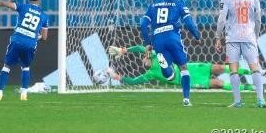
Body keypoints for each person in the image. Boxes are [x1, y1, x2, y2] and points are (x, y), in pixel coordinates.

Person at [140, 0, 201, 106]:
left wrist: (147, 43)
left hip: (158, 40)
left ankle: (164, 66)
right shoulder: (179, 4)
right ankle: (186, 99)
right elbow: (189, 23)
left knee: (168, 75)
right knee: (183, 68)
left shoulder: (153, 5)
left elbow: (143, 24)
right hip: (173, 38)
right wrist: (197, 36)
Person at [0, 0, 48, 101]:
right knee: (25, 67)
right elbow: (44, 37)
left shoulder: (23, 7)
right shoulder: (44, 16)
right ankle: (24, 94)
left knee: (6, 66)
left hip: (17, 40)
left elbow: (3, 3)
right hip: (30, 43)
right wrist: (35, 36)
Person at [215, 0, 266, 108]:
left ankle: (238, 101)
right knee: (255, 68)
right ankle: (260, 100)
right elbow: (258, 18)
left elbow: (221, 19)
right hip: (249, 36)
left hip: (232, 38)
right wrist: (256, 34)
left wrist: (217, 37)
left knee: (233, 69)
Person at [107, 45, 253, 90]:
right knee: (218, 83)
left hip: (190, 68)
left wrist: (124, 51)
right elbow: (133, 81)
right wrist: (116, 76)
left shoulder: (156, 55)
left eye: (143, 57)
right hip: (187, 81)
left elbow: (140, 48)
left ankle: (253, 72)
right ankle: (249, 88)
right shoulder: (151, 74)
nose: (142, 60)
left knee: (220, 67)